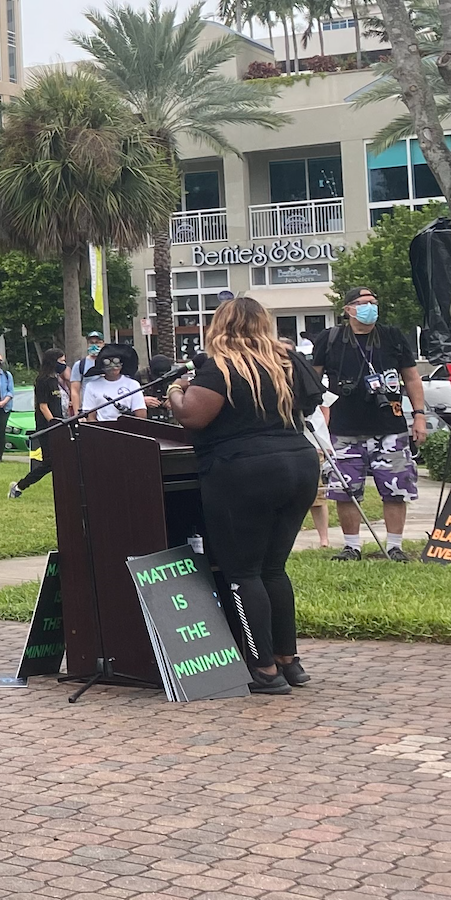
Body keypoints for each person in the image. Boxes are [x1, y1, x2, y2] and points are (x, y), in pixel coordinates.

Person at [170, 295, 326, 695]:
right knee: (274, 568)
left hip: (243, 470)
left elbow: (192, 415)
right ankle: (291, 662)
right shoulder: (286, 360)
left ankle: (263, 668)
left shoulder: (221, 366)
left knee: (244, 573)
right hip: (299, 465)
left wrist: (176, 390)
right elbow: (312, 401)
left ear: (220, 325)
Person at [315, 285, 427, 560]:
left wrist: (420, 415)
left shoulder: (392, 337)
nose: (370, 308)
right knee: (345, 490)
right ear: (349, 309)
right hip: (343, 429)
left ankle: (394, 546)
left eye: (374, 302)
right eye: (364, 303)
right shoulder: (330, 339)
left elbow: (412, 378)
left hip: (390, 426)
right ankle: (351, 546)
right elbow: (312, 380)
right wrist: (316, 419)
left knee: (396, 488)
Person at [8, 350, 71, 496]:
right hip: (47, 427)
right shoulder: (43, 380)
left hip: (58, 425)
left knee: (62, 460)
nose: (64, 364)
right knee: (49, 462)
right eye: (61, 361)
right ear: (53, 362)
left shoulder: (55, 380)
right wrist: (53, 423)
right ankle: (19, 487)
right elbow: (43, 406)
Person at [77, 347, 146, 423]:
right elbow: (90, 417)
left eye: (116, 361)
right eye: (107, 363)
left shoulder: (133, 385)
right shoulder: (91, 386)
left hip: (128, 428)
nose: (113, 367)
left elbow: (141, 415)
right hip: (103, 429)